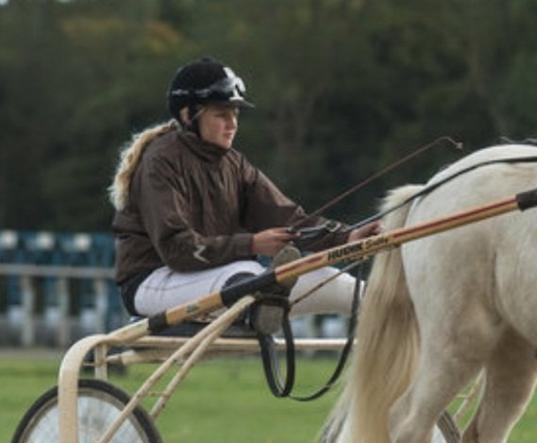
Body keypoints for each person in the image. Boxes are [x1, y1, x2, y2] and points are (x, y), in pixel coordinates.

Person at [109, 57, 379, 329]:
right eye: (221, 115)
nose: (232, 124)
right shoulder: (160, 162)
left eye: (235, 114)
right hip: (153, 281)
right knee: (249, 275)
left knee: (336, 282)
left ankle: (388, 310)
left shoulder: (235, 164)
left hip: (228, 278)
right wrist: (251, 245)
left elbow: (289, 219)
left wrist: (348, 237)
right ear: (188, 115)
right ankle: (258, 309)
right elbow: (176, 249)